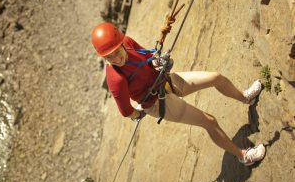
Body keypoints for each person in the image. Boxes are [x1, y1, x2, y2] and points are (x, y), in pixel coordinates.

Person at [91, 22, 266, 166]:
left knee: (216, 78)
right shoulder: (116, 80)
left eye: (116, 52)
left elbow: (149, 58)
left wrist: (159, 62)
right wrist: (140, 113)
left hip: (164, 81)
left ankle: (245, 98)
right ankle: (243, 156)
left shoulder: (128, 42)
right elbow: (125, 111)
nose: (116, 59)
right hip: (157, 103)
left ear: (121, 43)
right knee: (209, 121)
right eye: (109, 57)